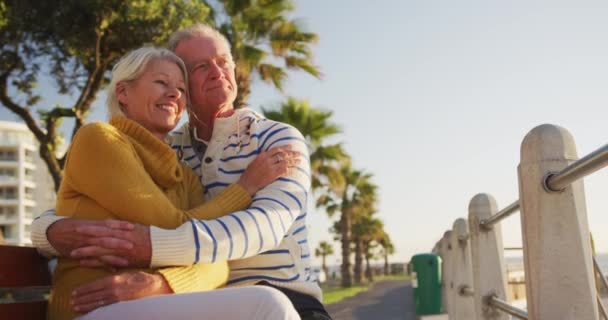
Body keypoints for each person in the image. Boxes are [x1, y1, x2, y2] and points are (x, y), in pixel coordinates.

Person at [32, 24, 332, 320]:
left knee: (271, 303)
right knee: (266, 305)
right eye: (201, 67)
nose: (217, 72)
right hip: (194, 301)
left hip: (274, 296)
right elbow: (99, 209)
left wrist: (159, 271)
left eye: (223, 62)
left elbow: (259, 231)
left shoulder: (275, 139)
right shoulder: (168, 151)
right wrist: (48, 231)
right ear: (123, 92)